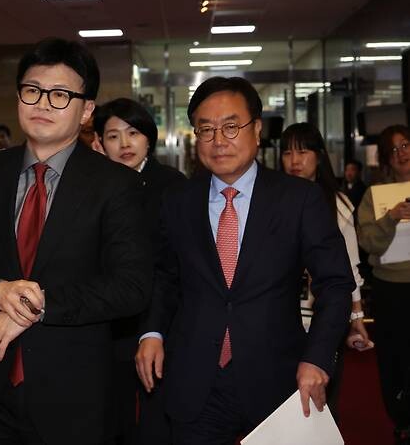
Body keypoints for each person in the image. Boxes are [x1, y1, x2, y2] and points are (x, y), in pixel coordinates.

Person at [0, 37, 151, 445]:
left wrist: (35, 305)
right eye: (32, 90)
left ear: (87, 110)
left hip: (72, 399)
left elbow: (131, 286)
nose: (43, 104)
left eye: (60, 94)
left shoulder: (116, 184)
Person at [135, 76, 353, 445]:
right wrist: (152, 332)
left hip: (278, 376)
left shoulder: (299, 199)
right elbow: (167, 276)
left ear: (256, 129)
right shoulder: (177, 201)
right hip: (196, 379)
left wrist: (317, 357)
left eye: (231, 126)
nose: (218, 140)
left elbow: (335, 283)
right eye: (206, 129)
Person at [93, 97, 185, 444]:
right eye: (113, 136)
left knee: (155, 421)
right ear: (99, 143)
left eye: (133, 133)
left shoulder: (173, 185)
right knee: (109, 419)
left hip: (159, 319)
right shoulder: (92, 185)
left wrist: (154, 329)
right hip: (106, 322)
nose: (125, 144)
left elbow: (172, 264)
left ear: (149, 137)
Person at [279, 122, 372, 421]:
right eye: (287, 152)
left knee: (319, 406)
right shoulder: (271, 199)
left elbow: (350, 267)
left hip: (323, 317)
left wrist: (356, 318)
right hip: (279, 318)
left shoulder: (337, 203)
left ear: (318, 156)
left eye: (303, 152)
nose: (294, 160)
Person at [357, 124, 410, 445]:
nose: (401, 153)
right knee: (394, 358)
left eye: (405, 145)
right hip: (390, 289)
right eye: (393, 149)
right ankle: (402, 419)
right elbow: (368, 243)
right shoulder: (375, 196)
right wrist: (391, 217)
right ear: (386, 159)